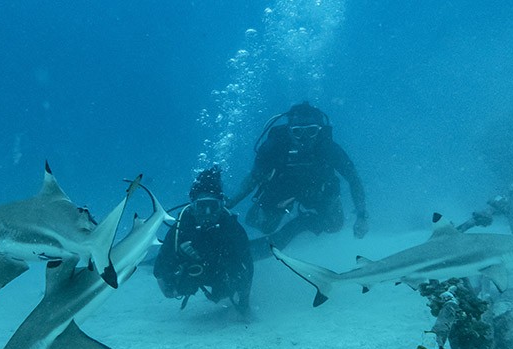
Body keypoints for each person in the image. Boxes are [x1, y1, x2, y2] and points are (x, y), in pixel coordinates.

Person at [225, 101, 369, 256]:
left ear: (319, 131)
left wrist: (361, 216)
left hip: (317, 191)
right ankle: (270, 216)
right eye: (298, 132)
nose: (304, 138)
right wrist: (231, 203)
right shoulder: (274, 145)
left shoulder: (328, 147)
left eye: (312, 131)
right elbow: (253, 178)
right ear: (289, 131)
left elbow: (353, 178)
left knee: (334, 226)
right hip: (282, 190)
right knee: (266, 227)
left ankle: (301, 223)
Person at [153, 165, 254, 315]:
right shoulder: (182, 227)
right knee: (177, 287)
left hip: (222, 273)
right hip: (195, 274)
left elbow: (248, 265)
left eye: (213, 206)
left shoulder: (231, 226)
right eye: (201, 207)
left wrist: (244, 304)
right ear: (193, 206)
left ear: (221, 205)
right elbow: (160, 268)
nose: (207, 213)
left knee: (231, 284)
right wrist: (180, 256)